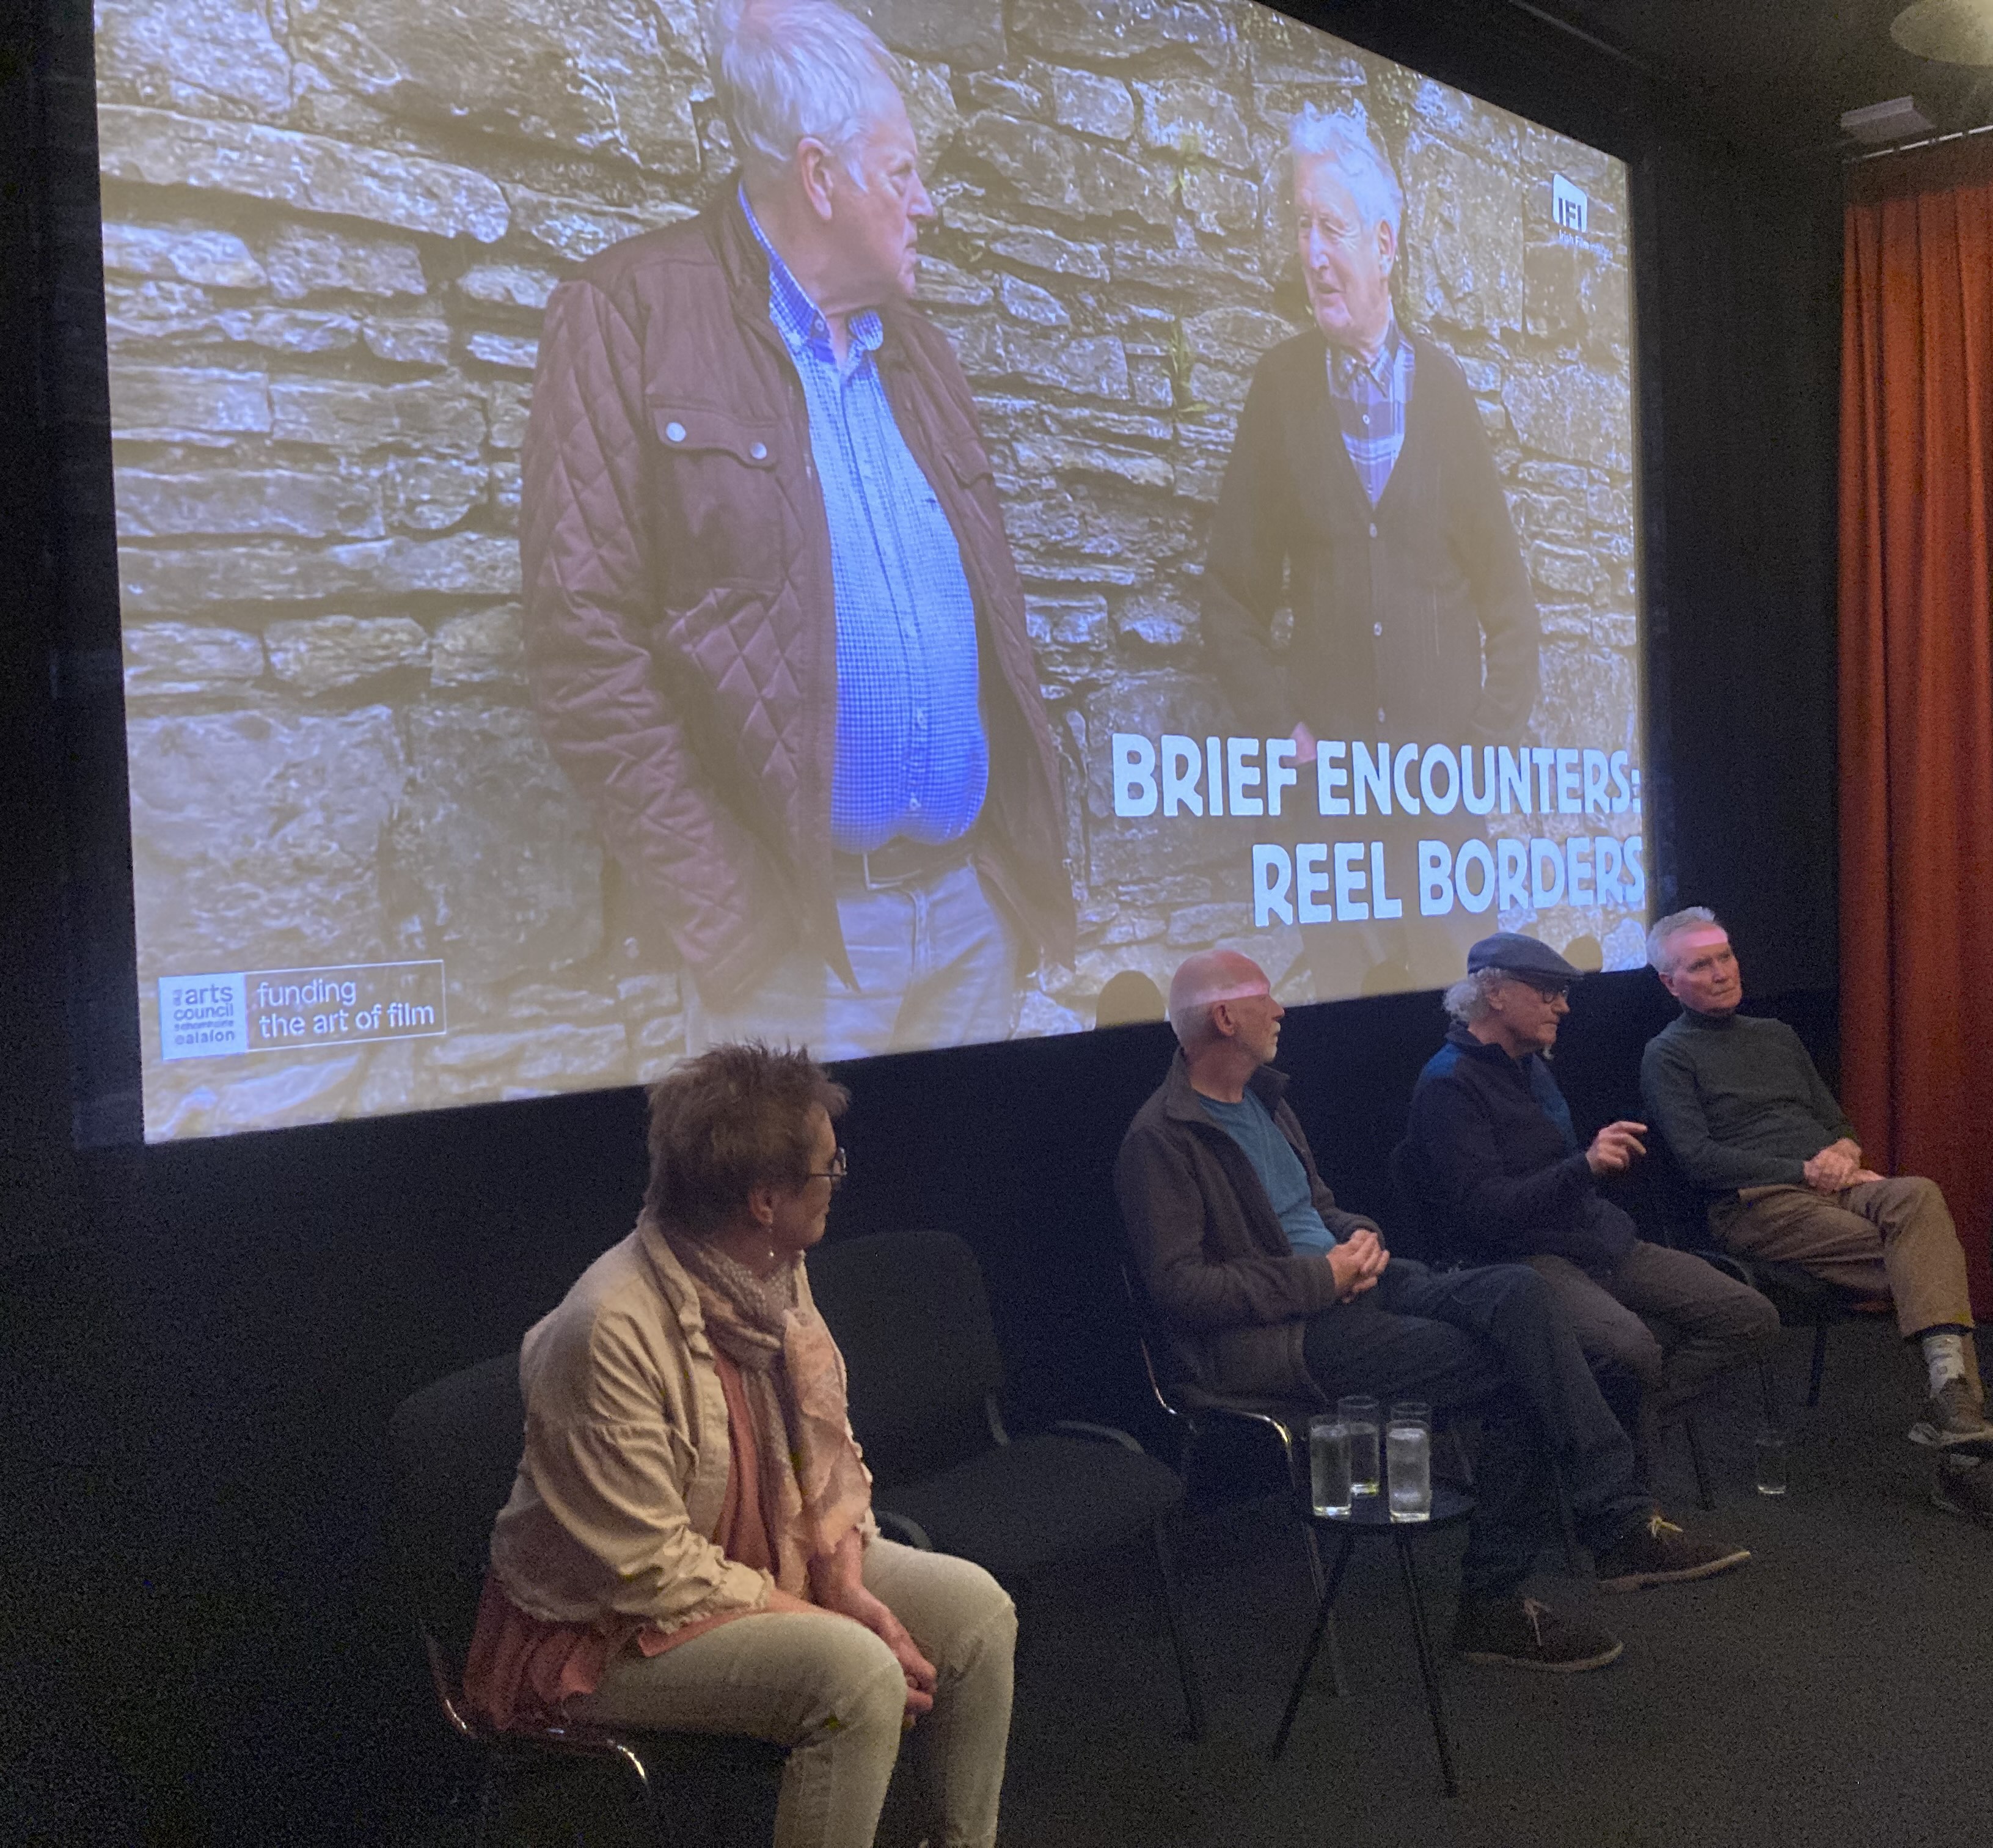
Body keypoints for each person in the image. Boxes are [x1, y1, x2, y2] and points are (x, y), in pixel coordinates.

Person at [521, 0, 1069, 1062]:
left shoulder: (921, 354)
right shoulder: (629, 314)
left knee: (964, 1177)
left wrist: (1003, 890)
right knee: (792, 1186)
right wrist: (735, 917)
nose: (927, 204)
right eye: (902, 174)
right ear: (820, 176)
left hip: (966, 919)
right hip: (796, 953)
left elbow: (994, 622)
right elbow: (581, 648)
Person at [1116, 950, 1751, 1676]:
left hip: (1357, 1286)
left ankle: (1607, 1523)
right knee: (1524, 1368)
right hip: (1283, 1336)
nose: (1282, 1010)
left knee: (1519, 1292)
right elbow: (1181, 1290)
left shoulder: (1266, 1100)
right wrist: (1318, 1277)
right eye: (1267, 997)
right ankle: (1538, 1575)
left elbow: (1318, 1209)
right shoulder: (1160, 1138)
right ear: (1226, 1017)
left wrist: (1360, 1237)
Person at [464, 1044, 1015, 1848]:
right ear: (764, 1200)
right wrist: (842, 1622)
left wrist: (848, 1588)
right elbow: (649, 1572)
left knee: (977, 1617)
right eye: (828, 1168)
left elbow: (824, 1461)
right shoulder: (606, 1329)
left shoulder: (772, 1272)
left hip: (760, 1561)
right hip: (608, 1625)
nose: (838, 1180)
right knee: (854, 1678)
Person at [1198, 107, 1539, 997]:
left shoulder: (1447, 393)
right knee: (1347, 1031)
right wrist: (1285, 734)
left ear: (1384, 244)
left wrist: (1480, 751)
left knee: (1466, 1019)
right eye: (1301, 226)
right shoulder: (1279, 390)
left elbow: (1509, 604)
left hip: (1442, 815)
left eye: (1333, 228)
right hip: (1332, 819)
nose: (1312, 253)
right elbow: (1230, 597)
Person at [1639, 906, 1993, 1536]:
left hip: (1836, 1186)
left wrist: (1844, 1150)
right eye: (1700, 966)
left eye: (1725, 956)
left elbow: (1836, 1122)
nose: (1722, 972)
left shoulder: (1776, 1035)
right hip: (1757, 1205)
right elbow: (1698, 1159)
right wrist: (1805, 1169)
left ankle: (1956, 1423)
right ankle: (1967, 1453)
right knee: (1928, 1261)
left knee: (1918, 1195)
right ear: (1670, 983)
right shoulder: (1668, 1053)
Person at [1404, 931, 1778, 1446]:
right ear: (1495, 993)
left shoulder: (1531, 1064)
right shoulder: (1451, 1084)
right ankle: (1619, 1462)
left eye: (1562, 993)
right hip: (1522, 1260)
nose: (1562, 1007)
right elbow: (1486, 1212)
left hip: (1592, 1239)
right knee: (1633, 1349)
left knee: (1749, 1317)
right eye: (1548, 993)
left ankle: (1623, 1442)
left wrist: (1599, 1166)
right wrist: (1585, 1167)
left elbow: (1557, 1173)